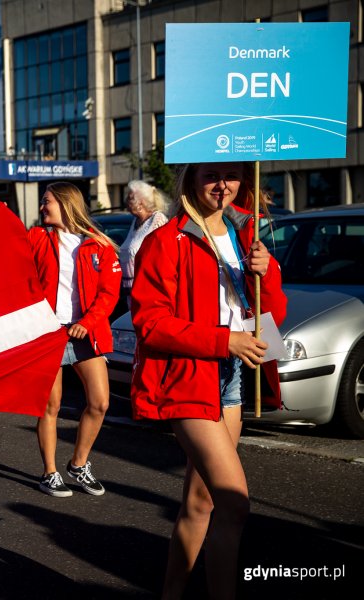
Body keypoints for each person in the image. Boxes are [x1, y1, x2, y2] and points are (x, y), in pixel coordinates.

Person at [130, 162, 286, 600]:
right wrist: (225, 341)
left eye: (232, 175)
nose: (223, 185)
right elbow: (150, 322)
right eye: (211, 175)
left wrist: (267, 271)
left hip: (232, 378)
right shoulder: (165, 240)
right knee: (234, 502)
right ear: (191, 180)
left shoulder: (245, 235)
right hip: (189, 378)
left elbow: (270, 315)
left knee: (202, 503)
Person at [27, 182, 121, 497]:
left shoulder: (99, 245)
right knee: (50, 405)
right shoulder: (36, 238)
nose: (42, 207)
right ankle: (49, 473)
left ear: (66, 203)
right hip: (48, 333)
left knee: (100, 402)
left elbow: (110, 294)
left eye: (47, 201)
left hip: (86, 332)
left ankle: (78, 464)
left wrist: (88, 322)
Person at [118, 180, 170, 312]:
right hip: (128, 292)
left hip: (146, 292)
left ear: (140, 202)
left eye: (130, 198)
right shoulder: (136, 222)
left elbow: (161, 256)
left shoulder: (158, 220)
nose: (126, 201)